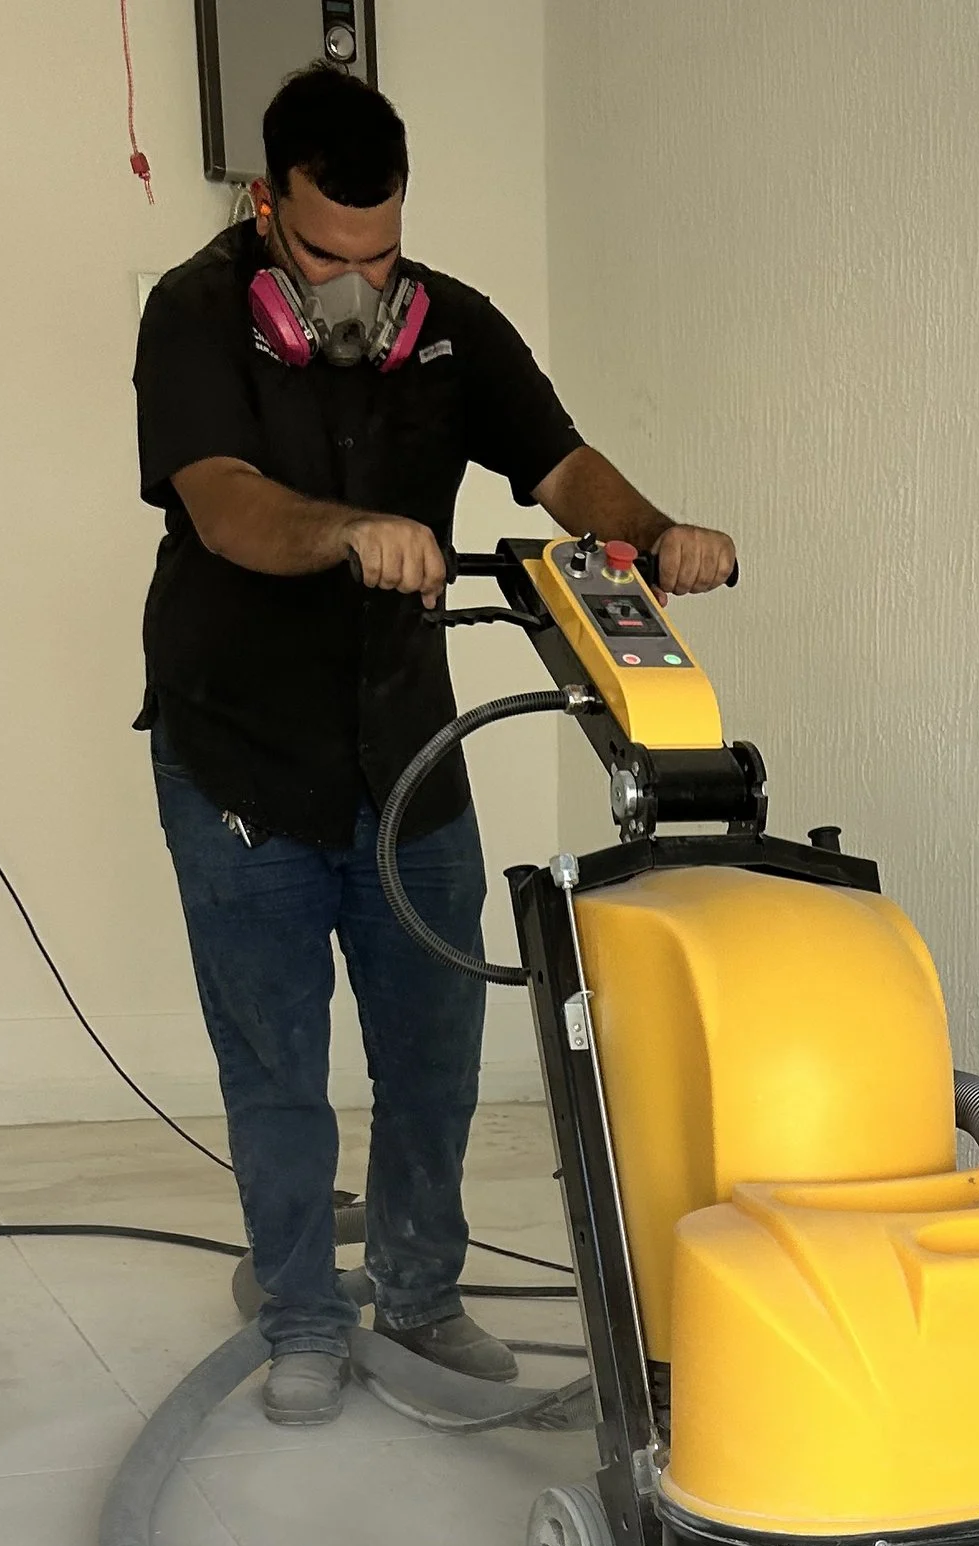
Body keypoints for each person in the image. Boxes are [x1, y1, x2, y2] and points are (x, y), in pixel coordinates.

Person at [133, 63, 736, 1425]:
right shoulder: (190, 317)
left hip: (405, 749)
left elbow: (561, 468)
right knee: (277, 1063)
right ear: (264, 203)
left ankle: (416, 1291)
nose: (358, 285)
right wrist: (344, 530)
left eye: (382, 252)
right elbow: (223, 503)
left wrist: (656, 529)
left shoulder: (451, 328)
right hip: (237, 760)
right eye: (326, 254)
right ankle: (298, 1313)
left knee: (433, 1048)